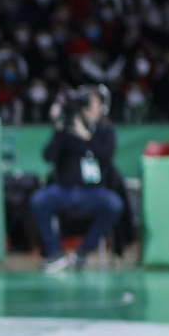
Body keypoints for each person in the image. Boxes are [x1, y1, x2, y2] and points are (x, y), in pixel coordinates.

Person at [30, 88, 122, 272]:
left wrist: (86, 136)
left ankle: (83, 252)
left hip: (93, 192)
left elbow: (106, 155)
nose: (90, 109)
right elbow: (48, 156)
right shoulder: (66, 131)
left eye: (94, 105)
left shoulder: (104, 132)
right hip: (65, 191)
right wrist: (58, 128)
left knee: (114, 204)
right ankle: (55, 253)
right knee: (38, 200)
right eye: (87, 105)